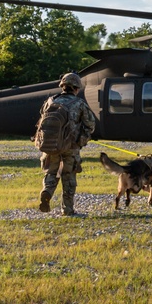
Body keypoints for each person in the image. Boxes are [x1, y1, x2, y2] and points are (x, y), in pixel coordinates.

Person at [38, 72, 96, 215]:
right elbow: (90, 125)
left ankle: (47, 191)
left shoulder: (50, 101)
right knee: (68, 176)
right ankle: (67, 210)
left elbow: (41, 121)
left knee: (51, 172)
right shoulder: (79, 104)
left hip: (51, 145)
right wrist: (81, 141)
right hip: (70, 146)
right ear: (76, 88)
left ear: (62, 86)